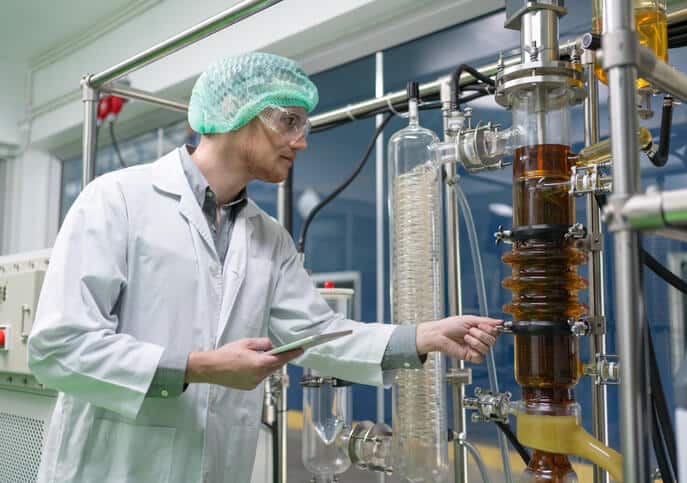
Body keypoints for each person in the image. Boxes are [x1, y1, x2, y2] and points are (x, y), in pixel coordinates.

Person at [28, 52, 501, 483]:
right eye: (288, 121)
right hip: (110, 468)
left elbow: (318, 332)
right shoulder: (117, 201)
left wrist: (421, 337)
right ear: (234, 112)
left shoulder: (267, 236)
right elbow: (59, 346)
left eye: (304, 126)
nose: (301, 142)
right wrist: (200, 368)